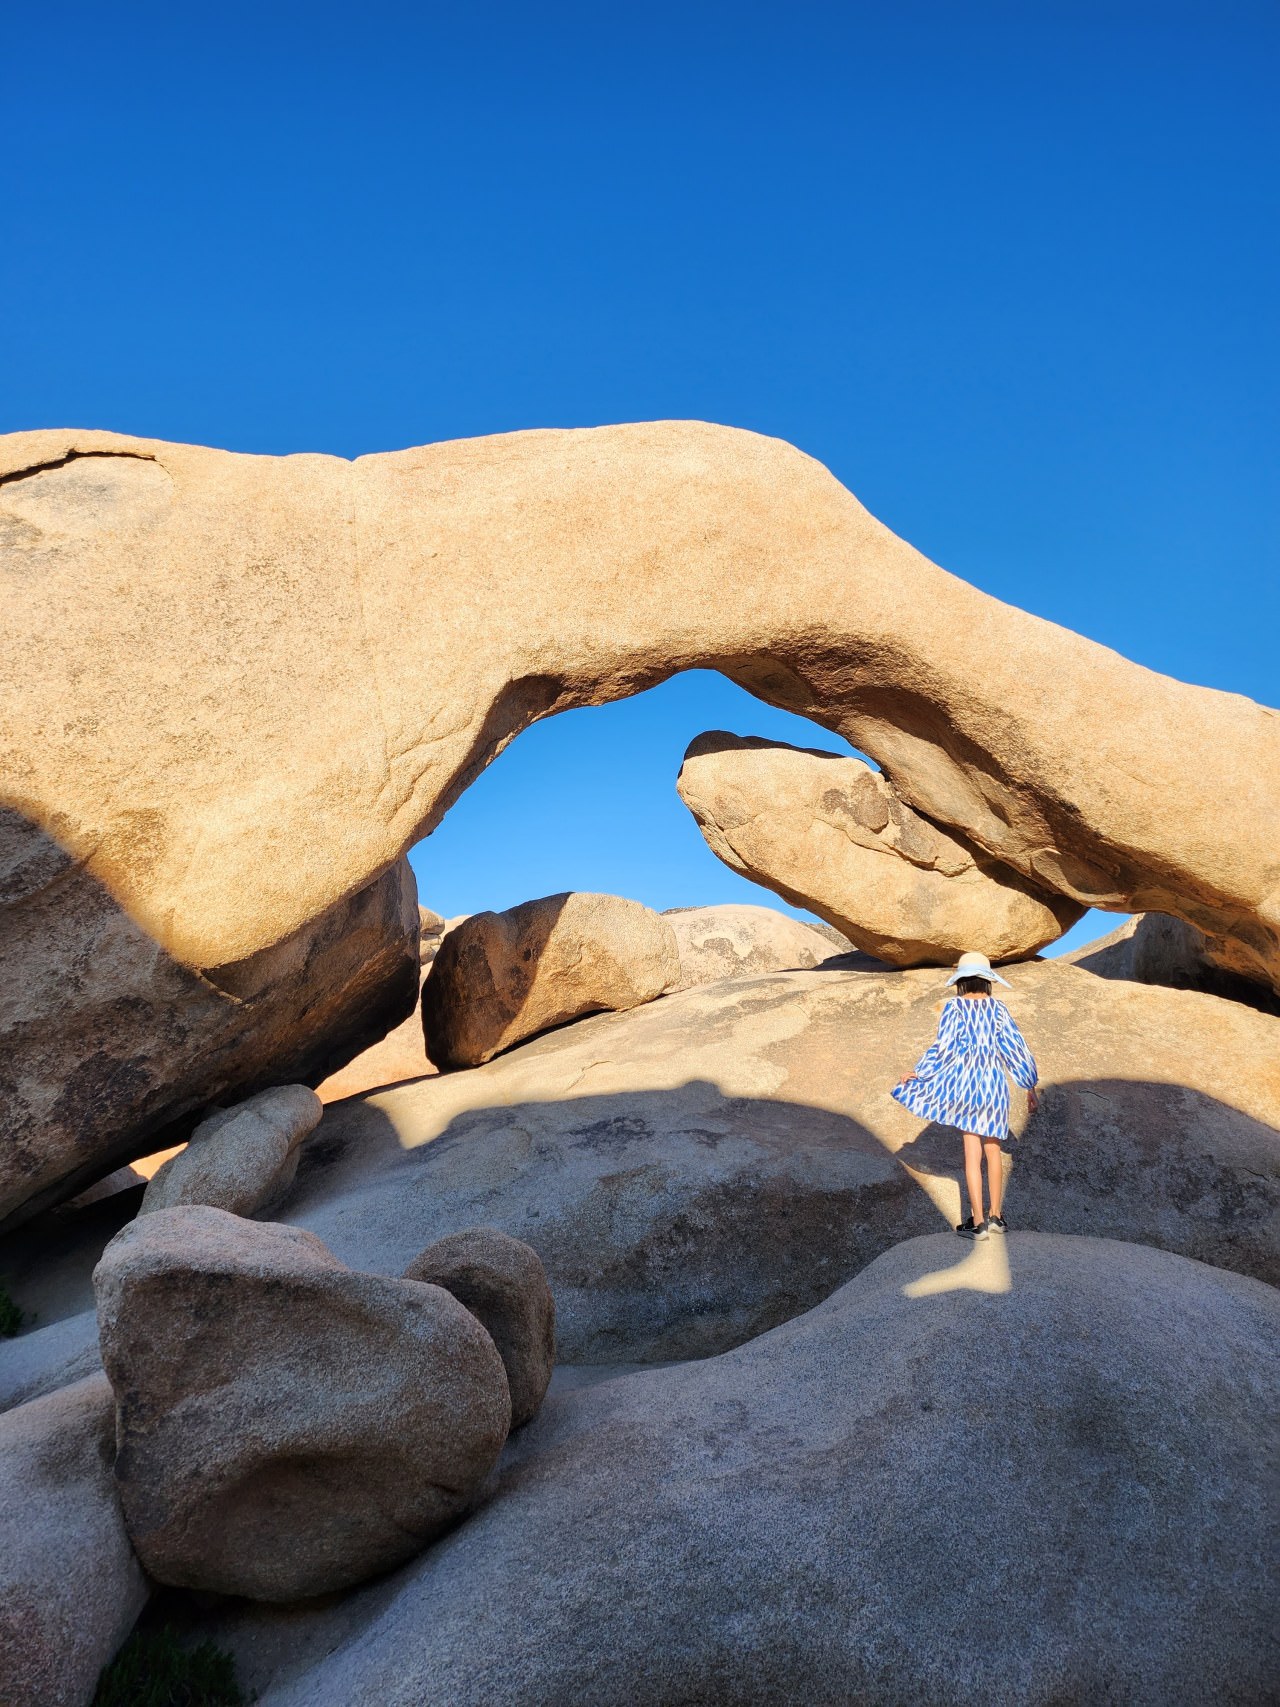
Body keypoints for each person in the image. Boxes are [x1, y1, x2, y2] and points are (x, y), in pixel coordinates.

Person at [891, 950, 1039, 1241]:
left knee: (972, 1156)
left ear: (961, 980)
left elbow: (943, 1049)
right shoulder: (998, 1009)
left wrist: (920, 1073)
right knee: (993, 1152)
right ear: (987, 980)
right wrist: (1029, 1085)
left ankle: (978, 1222)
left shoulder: (954, 1007)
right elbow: (1015, 1047)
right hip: (995, 1088)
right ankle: (997, 1217)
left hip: (967, 1088)